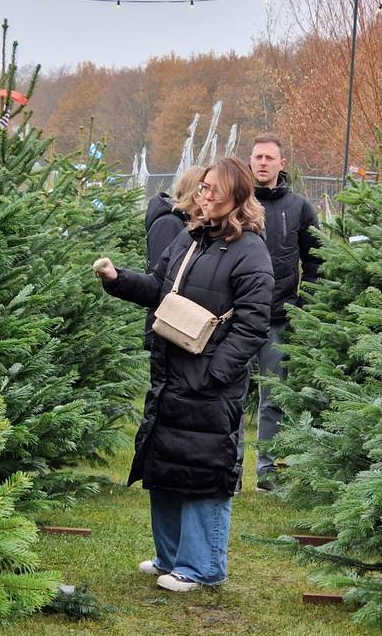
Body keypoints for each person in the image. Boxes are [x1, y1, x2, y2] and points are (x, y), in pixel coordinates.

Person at [95, 158, 273, 591]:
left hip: (209, 384)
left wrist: (215, 374)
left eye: (214, 189)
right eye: (203, 187)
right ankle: (169, 557)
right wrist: (117, 279)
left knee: (203, 471)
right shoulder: (191, 238)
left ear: (237, 197)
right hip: (172, 374)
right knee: (168, 465)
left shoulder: (251, 251)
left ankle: (202, 567)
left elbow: (252, 325)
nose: (204, 194)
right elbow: (159, 287)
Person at [242, 133, 321, 491]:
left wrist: (303, 306)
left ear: (281, 163)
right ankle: (230, 472)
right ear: (250, 161)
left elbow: (317, 261)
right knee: (230, 396)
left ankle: (267, 472)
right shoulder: (237, 203)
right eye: (257, 157)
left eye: (269, 158)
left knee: (273, 399)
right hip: (237, 319)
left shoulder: (299, 208)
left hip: (279, 318)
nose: (262, 163)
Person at [141, 168, 204, 346]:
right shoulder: (168, 223)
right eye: (205, 189)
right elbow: (162, 278)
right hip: (168, 323)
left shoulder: (189, 224)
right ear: (194, 192)